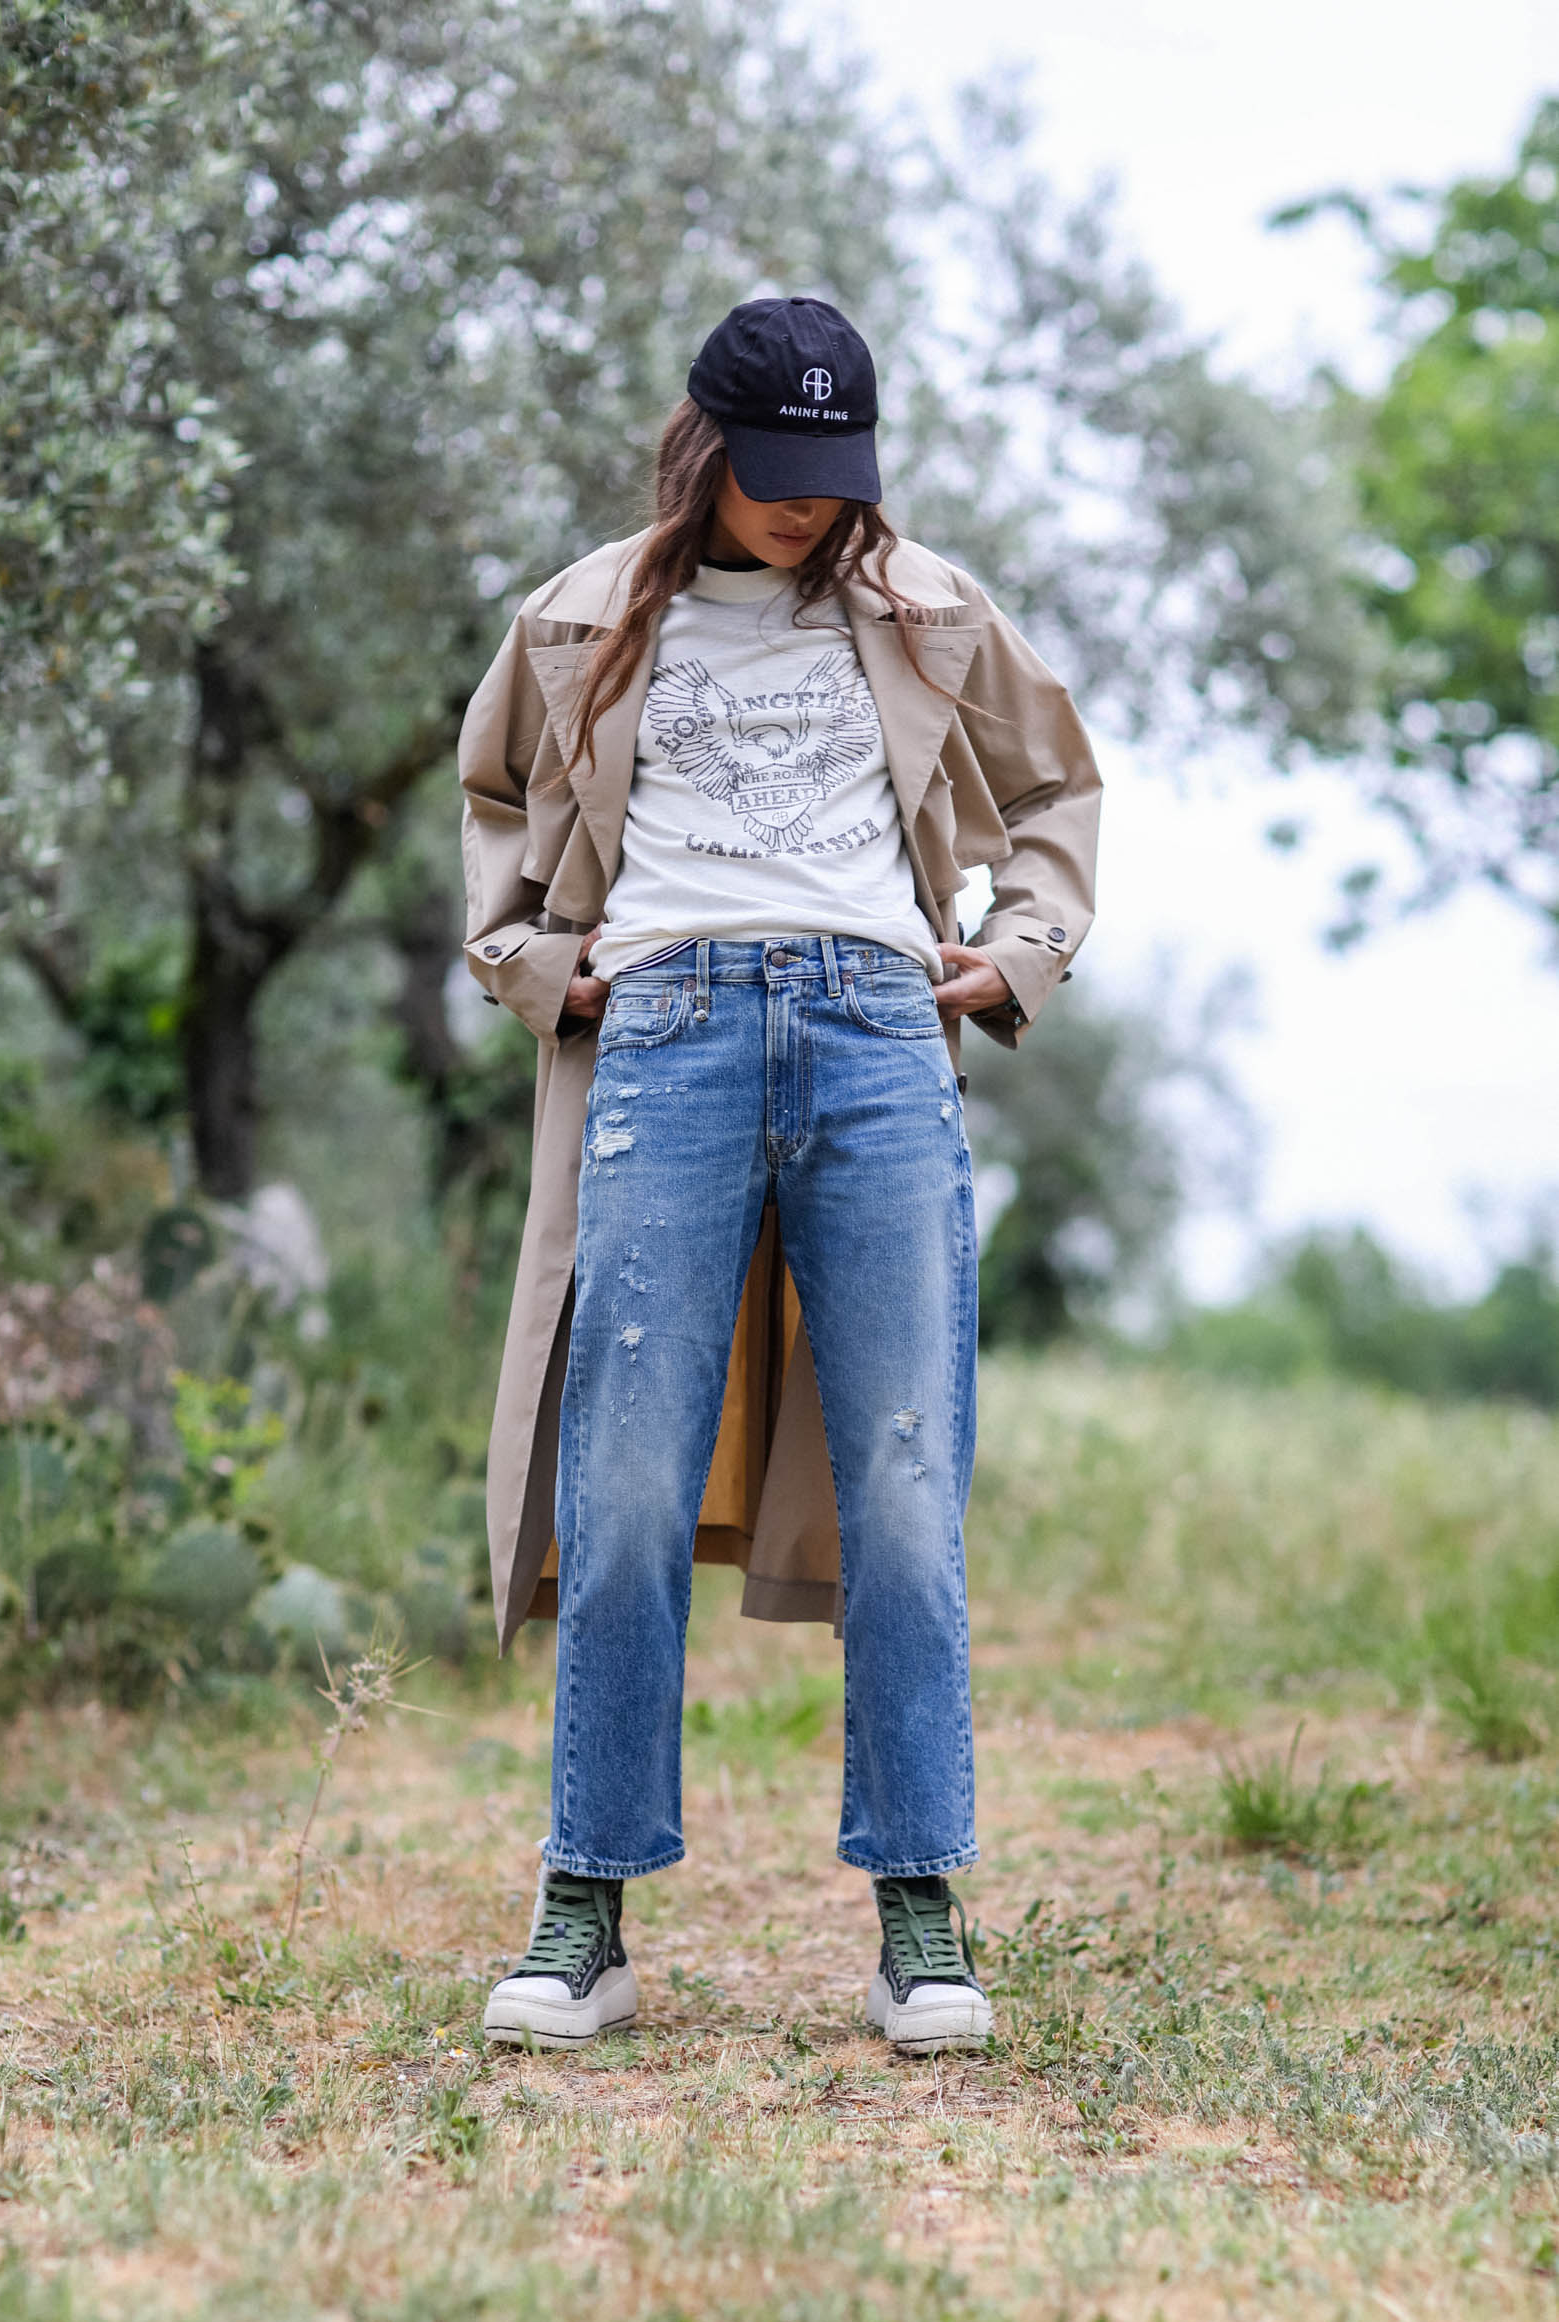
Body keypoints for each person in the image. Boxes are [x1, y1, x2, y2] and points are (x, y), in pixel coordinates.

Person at [460, 296, 1100, 2053]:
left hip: (881, 1037)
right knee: (626, 1479)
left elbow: (1058, 790)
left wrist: (1020, 948)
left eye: (833, 475)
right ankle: (583, 1912)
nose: (803, 506)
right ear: (705, 446)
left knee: (909, 1480)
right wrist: (534, 966)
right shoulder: (582, 613)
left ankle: (924, 1921)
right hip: (663, 1030)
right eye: (774, 472)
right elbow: (499, 817)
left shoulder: (934, 611)